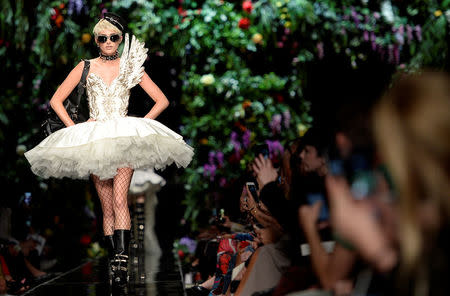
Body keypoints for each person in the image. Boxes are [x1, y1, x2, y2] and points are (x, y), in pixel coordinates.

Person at [24, 13, 194, 286]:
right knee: (107, 206)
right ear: (96, 41)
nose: (108, 42)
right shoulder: (85, 67)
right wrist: (73, 129)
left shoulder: (130, 66)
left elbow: (161, 100)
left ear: (121, 39)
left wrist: (138, 126)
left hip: (122, 137)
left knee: (118, 199)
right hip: (96, 138)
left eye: (114, 37)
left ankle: (121, 260)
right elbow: (56, 99)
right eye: (103, 38)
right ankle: (114, 259)